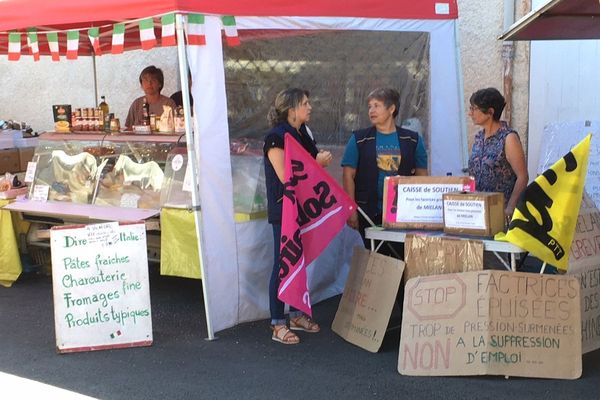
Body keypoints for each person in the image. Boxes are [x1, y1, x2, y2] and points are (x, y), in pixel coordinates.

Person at [263, 88, 332, 345]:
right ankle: (277, 322)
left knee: (298, 262)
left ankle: (295, 314)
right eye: (305, 103)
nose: (310, 107)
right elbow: (286, 175)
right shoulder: (275, 137)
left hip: (302, 208)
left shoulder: (303, 133)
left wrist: (316, 160)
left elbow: (307, 163)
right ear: (291, 110)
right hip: (284, 210)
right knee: (283, 262)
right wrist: (318, 162)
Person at [341, 88, 428, 248]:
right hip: (367, 213)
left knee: (399, 259)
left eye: (377, 105)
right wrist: (351, 209)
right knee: (369, 261)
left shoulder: (412, 140)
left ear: (391, 109)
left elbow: (422, 178)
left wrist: (419, 212)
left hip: (403, 215)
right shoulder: (359, 139)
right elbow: (348, 175)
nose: (371, 110)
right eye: (369, 106)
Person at [467, 88, 528, 224]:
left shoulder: (508, 138)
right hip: (477, 213)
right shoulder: (478, 138)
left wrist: (510, 207)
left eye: (474, 108)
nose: (470, 113)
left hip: (500, 213)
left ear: (490, 112)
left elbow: (522, 176)